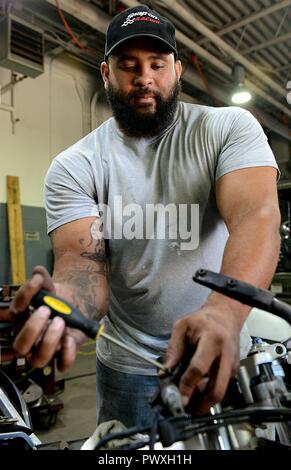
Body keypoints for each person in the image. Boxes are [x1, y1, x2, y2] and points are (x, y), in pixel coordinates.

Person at [10, 5, 281, 428]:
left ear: (177, 70)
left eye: (157, 64)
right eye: (128, 65)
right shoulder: (75, 165)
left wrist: (223, 314)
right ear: (105, 73)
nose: (144, 77)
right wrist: (68, 305)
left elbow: (256, 217)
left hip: (221, 348)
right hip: (129, 366)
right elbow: (83, 264)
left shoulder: (226, 129)